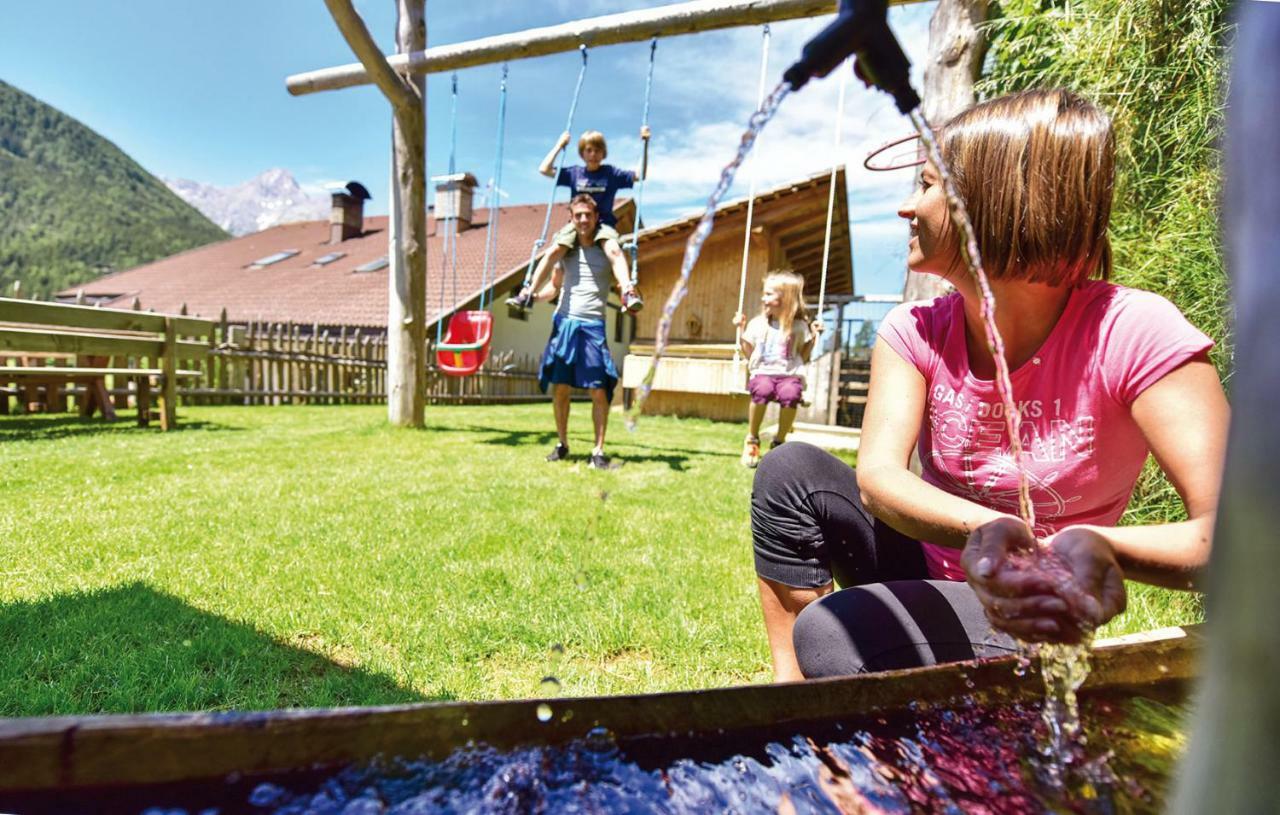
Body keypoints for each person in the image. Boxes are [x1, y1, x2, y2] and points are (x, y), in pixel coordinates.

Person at [750, 88, 1229, 681]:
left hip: (1026, 602)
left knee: (835, 634)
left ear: (992, 204)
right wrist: (986, 526)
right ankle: (787, 704)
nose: (906, 208)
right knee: (788, 473)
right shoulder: (915, 330)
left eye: (925, 186)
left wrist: (1095, 548)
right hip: (928, 563)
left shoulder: (1133, 333)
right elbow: (877, 480)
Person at [533, 194, 632, 470]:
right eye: (578, 215)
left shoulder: (607, 249)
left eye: (588, 215)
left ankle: (598, 451)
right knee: (561, 388)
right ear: (571, 219)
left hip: (592, 327)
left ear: (596, 217)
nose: (583, 220)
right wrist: (533, 296)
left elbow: (622, 277)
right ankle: (562, 444)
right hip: (564, 323)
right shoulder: (566, 251)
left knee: (599, 390)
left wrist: (628, 292)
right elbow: (554, 287)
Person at [508, 128, 649, 312]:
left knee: (614, 249)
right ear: (582, 153)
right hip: (576, 224)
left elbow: (640, 175)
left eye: (597, 150)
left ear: (603, 153)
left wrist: (645, 144)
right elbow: (544, 169)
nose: (593, 155)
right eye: (589, 150)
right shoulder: (575, 173)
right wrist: (559, 146)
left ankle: (628, 292)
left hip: (603, 224)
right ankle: (527, 293)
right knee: (554, 251)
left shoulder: (610, 174)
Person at [732, 271, 825, 468]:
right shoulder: (758, 324)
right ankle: (752, 438)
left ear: (785, 299)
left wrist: (815, 336)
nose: (763, 298)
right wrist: (740, 331)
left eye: (769, 294)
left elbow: (805, 355)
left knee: (791, 393)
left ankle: (779, 441)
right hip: (763, 372)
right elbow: (748, 352)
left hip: (789, 374)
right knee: (762, 389)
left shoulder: (799, 326)